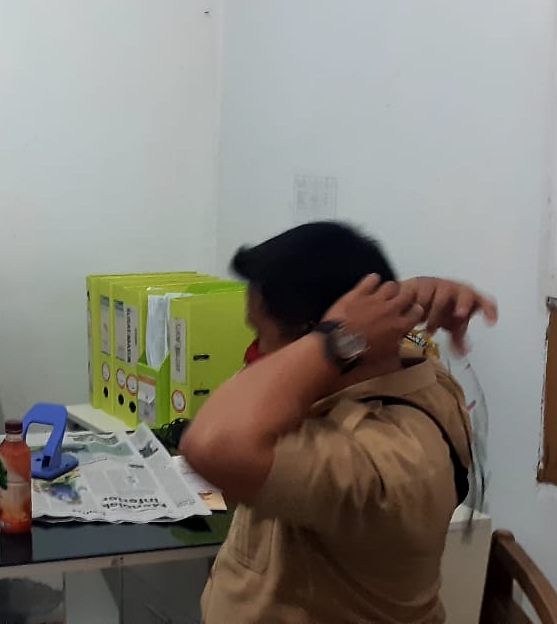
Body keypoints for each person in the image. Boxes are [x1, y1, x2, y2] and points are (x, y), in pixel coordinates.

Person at [181, 222, 497, 623]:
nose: (256, 353)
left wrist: (338, 338)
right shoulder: (392, 371)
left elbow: (211, 444)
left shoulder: (386, 460)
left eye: (261, 334)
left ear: (312, 338)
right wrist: (403, 297)